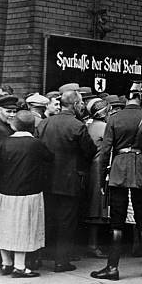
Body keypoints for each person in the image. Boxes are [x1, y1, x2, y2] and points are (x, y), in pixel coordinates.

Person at [90, 83, 142, 280]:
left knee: (117, 220)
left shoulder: (114, 118)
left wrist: (102, 179)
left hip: (119, 170)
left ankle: (112, 268)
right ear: (141, 98)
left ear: (127, 98)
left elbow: (105, 151)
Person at [37, 90, 96, 272]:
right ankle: (61, 261)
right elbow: (90, 151)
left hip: (46, 179)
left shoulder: (44, 123)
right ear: (76, 105)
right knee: (66, 221)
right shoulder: (77, 126)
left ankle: (43, 255)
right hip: (70, 181)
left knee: (47, 218)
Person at [0, 111, 54, 278]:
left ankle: (6, 263)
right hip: (30, 193)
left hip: (6, 192)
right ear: (33, 126)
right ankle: (20, 267)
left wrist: (0, 185)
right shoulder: (37, 144)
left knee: (4, 226)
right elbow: (49, 160)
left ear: (14, 125)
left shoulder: (4, 143)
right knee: (24, 228)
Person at [84, 98, 110, 259]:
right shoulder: (105, 127)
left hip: (88, 168)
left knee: (89, 205)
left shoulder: (87, 125)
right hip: (99, 169)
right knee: (97, 207)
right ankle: (93, 244)